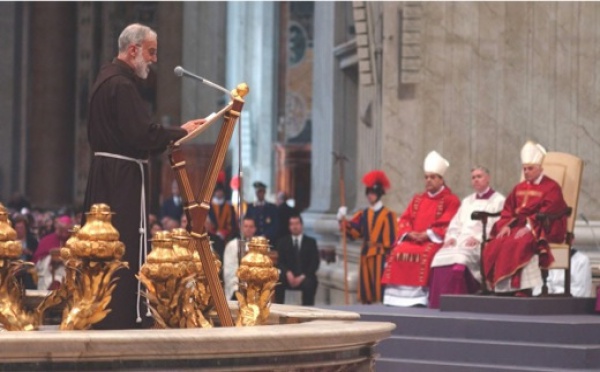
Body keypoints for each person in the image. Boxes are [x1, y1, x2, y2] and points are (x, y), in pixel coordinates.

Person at [82, 23, 205, 329]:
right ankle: (123, 315)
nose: (153, 59)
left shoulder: (105, 78)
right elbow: (141, 134)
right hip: (121, 178)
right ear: (133, 49)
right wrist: (182, 131)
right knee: (123, 242)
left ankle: (107, 312)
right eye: (151, 52)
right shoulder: (121, 86)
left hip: (106, 175)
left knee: (107, 246)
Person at [483, 141, 568, 296]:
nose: (526, 172)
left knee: (518, 241)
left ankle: (522, 288)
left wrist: (529, 227)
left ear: (540, 169)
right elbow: (509, 209)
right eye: (524, 169)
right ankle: (503, 287)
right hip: (519, 226)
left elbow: (551, 210)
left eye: (530, 168)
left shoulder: (551, 187)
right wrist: (506, 225)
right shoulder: (519, 187)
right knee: (498, 241)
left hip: (543, 227)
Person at [382, 151, 460, 307]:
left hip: (433, 241)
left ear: (441, 179)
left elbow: (450, 223)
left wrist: (428, 234)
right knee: (398, 251)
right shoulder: (417, 199)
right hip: (413, 239)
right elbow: (405, 219)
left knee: (425, 253)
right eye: (426, 177)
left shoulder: (451, 200)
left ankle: (418, 298)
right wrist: (409, 233)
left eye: (432, 177)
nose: (428, 181)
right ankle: (394, 298)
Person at [428, 166, 505, 308]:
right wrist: (451, 237)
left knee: (461, 259)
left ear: (488, 178)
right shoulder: (467, 201)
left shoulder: (499, 200)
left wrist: (478, 237)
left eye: (479, 176)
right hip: (460, 240)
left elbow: (496, 225)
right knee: (438, 257)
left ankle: (459, 302)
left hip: (480, 241)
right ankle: (437, 303)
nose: (476, 180)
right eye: (473, 177)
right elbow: (455, 223)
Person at [337, 170, 397, 304]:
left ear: (379, 193)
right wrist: (342, 219)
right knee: (366, 291)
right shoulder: (363, 214)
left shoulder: (388, 215)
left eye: (373, 193)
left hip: (381, 256)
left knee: (379, 290)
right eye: (369, 193)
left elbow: (392, 240)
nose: (370, 196)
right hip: (366, 254)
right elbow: (354, 232)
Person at [274, 214, 321, 306]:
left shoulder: (311, 242)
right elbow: (280, 262)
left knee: (310, 283)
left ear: (301, 225)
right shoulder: (282, 242)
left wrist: (302, 276)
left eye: (297, 224)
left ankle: (307, 311)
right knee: (278, 280)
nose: (294, 226)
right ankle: (279, 309)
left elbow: (315, 262)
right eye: (292, 224)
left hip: (304, 276)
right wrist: (288, 273)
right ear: (289, 226)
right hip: (288, 276)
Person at [223, 216, 257, 300]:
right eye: (245, 226)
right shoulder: (232, 245)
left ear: (255, 229)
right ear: (240, 228)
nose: (248, 229)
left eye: (251, 226)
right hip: (237, 286)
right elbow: (229, 269)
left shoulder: (259, 245)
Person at [209, 173, 237, 242]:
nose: (219, 193)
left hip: (226, 238)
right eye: (217, 191)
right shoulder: (208, 206)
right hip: (211, 237)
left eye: (220, 191)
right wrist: (214, 232)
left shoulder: (230, 207)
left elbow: (232, 224)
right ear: (214, 192)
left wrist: (224, 232)